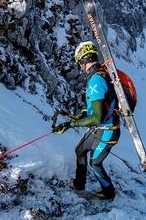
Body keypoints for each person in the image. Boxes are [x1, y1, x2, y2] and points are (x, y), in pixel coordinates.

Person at [52, 41, 120, 200]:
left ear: (83, 62)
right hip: (102, 129)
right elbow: (102, 105)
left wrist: (70, 124)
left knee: (95, 163)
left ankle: (108, 192)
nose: (81, 68)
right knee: (80, 150)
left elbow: (97, 118)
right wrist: (84, 113)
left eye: (80, 64)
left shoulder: (95, 81)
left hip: (107, 131)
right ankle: (79, 183)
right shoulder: (102, 74)